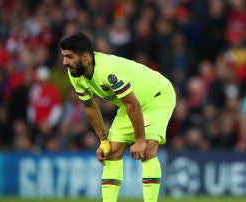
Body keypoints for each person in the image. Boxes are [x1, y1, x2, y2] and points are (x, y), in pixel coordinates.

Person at [59, 33, 176, 202]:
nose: (65, 63)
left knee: (148, 149)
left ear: (85, 57)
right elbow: (90, 106)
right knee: (111, 153)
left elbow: (132, 105)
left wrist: (140, 139)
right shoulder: (75, 74)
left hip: (156, 96)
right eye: (64, 57)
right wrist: (103, 141)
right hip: (130, 103)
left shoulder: (108, 69)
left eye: (69, 57)